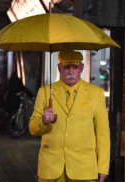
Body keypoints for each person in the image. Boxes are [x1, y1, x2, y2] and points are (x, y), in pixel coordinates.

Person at [29, 50, 110, 182]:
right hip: (51, 168)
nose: (71, 72)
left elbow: (103, 134)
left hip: (83, 168)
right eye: (67, 67)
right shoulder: (45, 92)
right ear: (59, 68)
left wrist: (103, 167)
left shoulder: (96, 93)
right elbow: (32, 129)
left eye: (75, 67)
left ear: (82, 68)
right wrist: (43, 121)